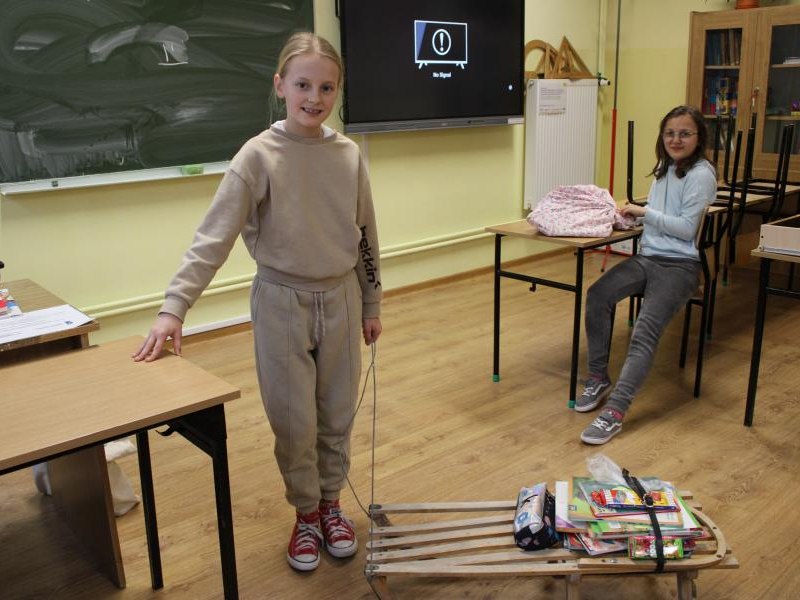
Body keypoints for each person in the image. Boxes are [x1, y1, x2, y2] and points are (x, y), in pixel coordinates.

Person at [132, 32, 383, 572]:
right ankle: (305, 513)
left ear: (337, 91)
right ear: (280, 86)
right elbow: (213, 237)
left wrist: (371, 303)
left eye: (327, 87)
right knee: (293, 421)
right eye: (303, 85)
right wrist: (174, 306)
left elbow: (365, 234)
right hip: (281, 303)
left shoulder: (347, 155)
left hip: (341, 298)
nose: (314, 97)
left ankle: (332, 504)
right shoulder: (257, 156)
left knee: (336, 414)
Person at [576, 105, 716, 445]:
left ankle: (615, 412)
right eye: (670, 133)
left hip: (680, 266)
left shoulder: (701, 174)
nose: (676, 140)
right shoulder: (665, 168)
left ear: (699, 138)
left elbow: (686, 229)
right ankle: (598, 377)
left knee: (643, 332)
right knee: (598, 295)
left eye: (684, 134)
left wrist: (645, 212)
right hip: (648, 257)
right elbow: (660, 217)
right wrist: (632, 216)